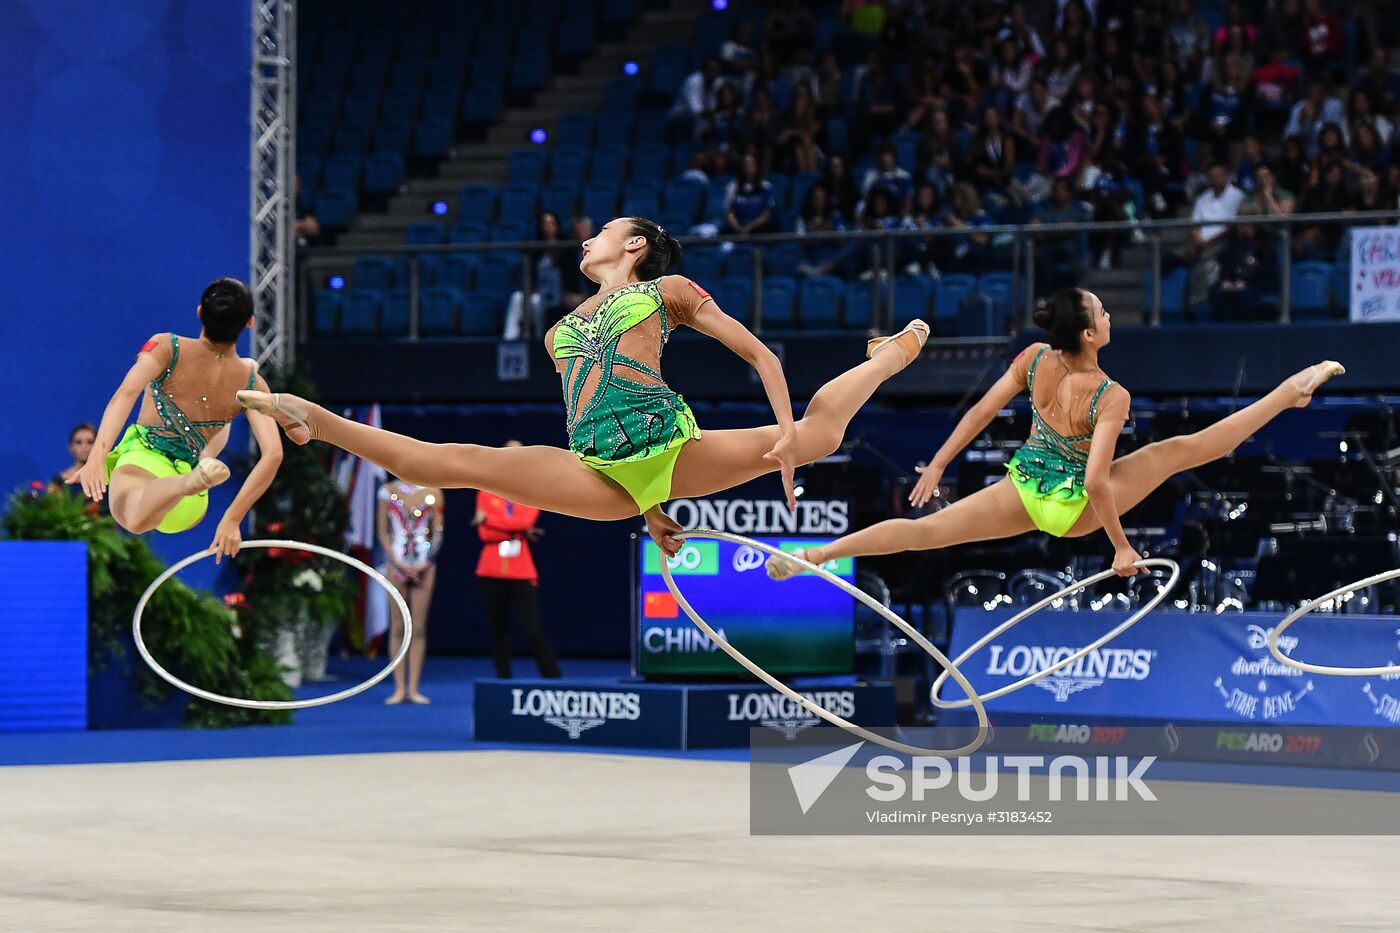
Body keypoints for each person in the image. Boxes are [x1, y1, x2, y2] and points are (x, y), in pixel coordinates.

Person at [237, 216, 930, 558]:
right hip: (603, 472)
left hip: (669, 446)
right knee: (455, 461)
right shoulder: (558, 330)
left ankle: (881, 360)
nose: (588, 239)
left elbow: (762, 357)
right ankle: (314, 417)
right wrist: (651, 509)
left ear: (634, 246)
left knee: (819, 435)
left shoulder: (667, 290)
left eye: (603, 232)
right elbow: (581, 403)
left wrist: (781, 437)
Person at [768, 288, 1345, 581]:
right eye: (1104, 313)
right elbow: (1096, 479)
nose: (1111, 317)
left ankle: (817, 555)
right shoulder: (1109, 394)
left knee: (927, 531)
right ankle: (1288, 393)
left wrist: (940, 463)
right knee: (1181, 451)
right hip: (1072, 508)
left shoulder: (1036, 359)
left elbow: (981, 414)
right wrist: (1119, 545)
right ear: (1091, 334)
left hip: (1025, 486)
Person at [70, 278, 283, 562]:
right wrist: (233, 518)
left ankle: (187, 482)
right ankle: (191, 479)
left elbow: (125, 394)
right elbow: (273, 454)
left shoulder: (167, 347)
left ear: (199, 313)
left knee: (133, 518)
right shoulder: (254, 384)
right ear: (250, 323)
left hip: (145, 465)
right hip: (191, 504)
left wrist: (99, 454)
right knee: (225, 416)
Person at [473, 441, 560, 679]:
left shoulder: (531, 491)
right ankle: (502, 680)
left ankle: (552, 676)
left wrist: (488, 519)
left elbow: (525, 522)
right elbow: (485, 534)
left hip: (522, 569)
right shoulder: (485, 492)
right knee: (497, 627)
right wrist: (512, 528)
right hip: (490, 569)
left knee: (531, 626)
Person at [376, 476, 444, 704]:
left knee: (418, 628)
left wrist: (426, 562)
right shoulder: (387, 491)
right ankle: (398, 688)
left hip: (425, 565)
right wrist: (397, 562)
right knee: (398, 627)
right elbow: (383, 532)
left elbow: (438, 532)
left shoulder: (433, 491)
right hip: (396, 565)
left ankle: (413, 687)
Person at [51, 423, 96, 492]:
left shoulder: (107, 480)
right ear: (71, 447)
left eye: (90, 442)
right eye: (79, 442)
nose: (85, 447)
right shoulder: (58, 481)